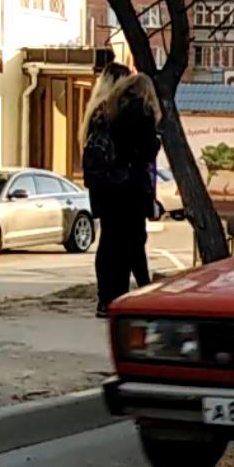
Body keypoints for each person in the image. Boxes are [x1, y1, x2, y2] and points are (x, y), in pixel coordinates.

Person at [81, 69, 161, 317]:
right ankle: (128, 295)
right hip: (125, 188)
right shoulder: (126, 114)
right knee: (130, 243)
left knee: (112, 243)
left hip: (107, 189)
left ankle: (110, 298)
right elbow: (143, 155)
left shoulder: (99, 113)